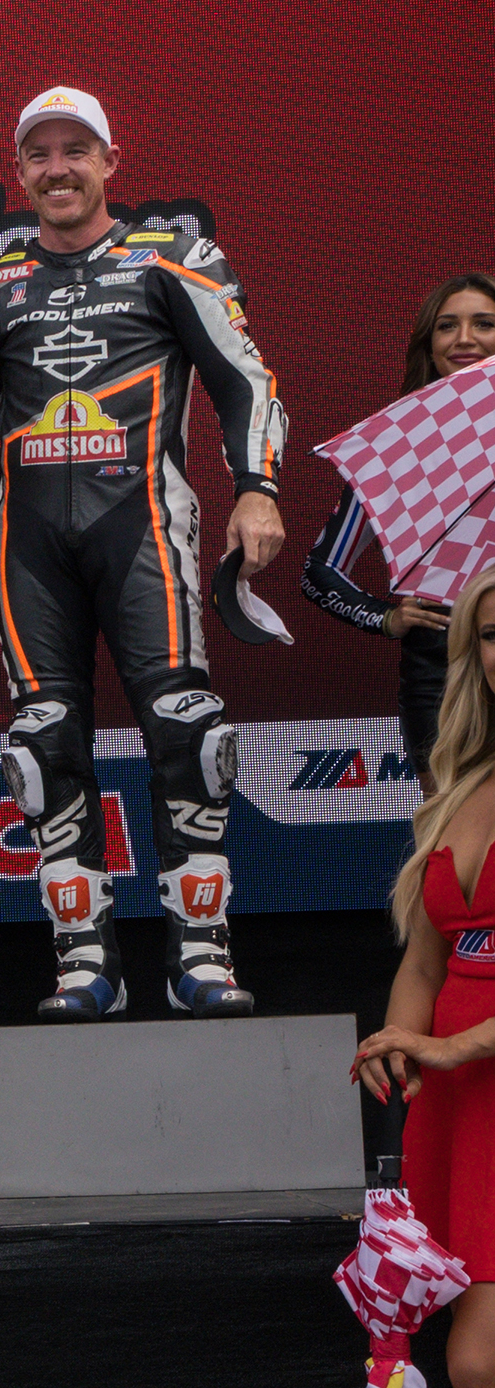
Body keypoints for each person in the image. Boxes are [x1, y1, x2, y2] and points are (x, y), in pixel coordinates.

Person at [0, 87, 288, 1021]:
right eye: (39, 154)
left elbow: (246, 377)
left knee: (187, 728)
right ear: (18, 170)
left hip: (145, 527)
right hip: (26, 543)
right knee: (40, 744)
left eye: (76, 150)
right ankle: (82, 962)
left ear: (110, 161)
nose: (58, 168)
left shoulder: (171, 259)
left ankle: (200, 950)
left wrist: (258, 487)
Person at [355, 562, 495, 1388]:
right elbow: (423, 956)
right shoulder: (457, 786)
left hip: (474, 1064)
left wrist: (452, 1045)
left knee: (478, 1358)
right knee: (461, 1352)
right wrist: (399, 1043)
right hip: (452, 1098)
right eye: (488, 634)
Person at [304, 275, 495, 798]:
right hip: (442, 677)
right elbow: (319, 572)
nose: (464, 338)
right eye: (447, 326)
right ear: (429, 346)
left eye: (484, 323)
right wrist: (387, 617)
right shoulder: (397, 448)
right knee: (451, 843)